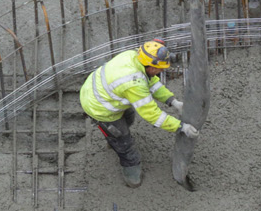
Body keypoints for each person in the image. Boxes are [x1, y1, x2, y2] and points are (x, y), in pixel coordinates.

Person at [79, 39, 198, 188]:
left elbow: (151, 83)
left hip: (99, 90)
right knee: (125, 143)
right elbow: (153, 115)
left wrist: (173, 101)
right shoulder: (134, 83)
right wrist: (181, 127)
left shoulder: (135, 57)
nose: (162, 71)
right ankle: (131, 176)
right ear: (151, 66)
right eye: (161, 68)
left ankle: (113, 138)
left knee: (128, 117)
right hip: (99, 107)